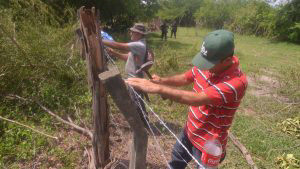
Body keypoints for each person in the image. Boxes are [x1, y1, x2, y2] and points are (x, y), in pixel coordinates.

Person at [126, 30, 248, 169]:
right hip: (189, 130)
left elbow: (196, 99)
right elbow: (186, 77)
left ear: (227, 61)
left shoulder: (235, 83)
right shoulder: (209, 63)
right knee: (175, 162)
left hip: (208, 145)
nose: (204, 67)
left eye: (209, 64)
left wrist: (159, 89)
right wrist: (162, 81)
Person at [102, 23, 149, 126]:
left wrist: (100, 40)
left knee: (136, 102)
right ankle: (143, 122)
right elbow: (127, 57)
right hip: (133, 77)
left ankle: (142, 125)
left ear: (139, 34)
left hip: (135, 79)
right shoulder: (138, 44)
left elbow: (120, 45)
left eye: (133, 32)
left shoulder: (139, 45)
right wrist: (113, 52)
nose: (131, 33)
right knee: (137, 101)